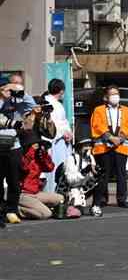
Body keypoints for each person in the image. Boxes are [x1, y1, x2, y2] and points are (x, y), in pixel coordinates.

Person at [91, 85, 128, 210]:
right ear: (106, 97)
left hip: (121, 146)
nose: (115, 96)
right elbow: (97, 125)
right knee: (104, 173)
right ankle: (102, 199)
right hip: (104, 147)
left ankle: (122, 199)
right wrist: (110, 137)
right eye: (112, 94)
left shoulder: (126, 110)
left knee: (121, 173)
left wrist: (120, 138)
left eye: (117, 93)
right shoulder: (98, 110)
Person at [0, 72, 36, 224]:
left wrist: (22, 93)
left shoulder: (20, 101)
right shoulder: (2, 99)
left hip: (14, 146)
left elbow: (33, 107)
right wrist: (3, 96)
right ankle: (1, 211)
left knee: (14, 181)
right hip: (1, 145)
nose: (16, 88)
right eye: (13, 84)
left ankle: (12, 210)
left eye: (20, 84)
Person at [18, 130, 64, 220]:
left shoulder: (38, 158)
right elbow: (23, 168)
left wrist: (44, 154)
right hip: (23, 194)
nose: (37, 147)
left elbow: (50, 168)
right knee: (46, 214)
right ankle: (17, 209)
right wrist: (31, 151)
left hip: (35, 193)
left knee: (60, 199)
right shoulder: (22, 156)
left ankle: (38, 207)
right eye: (35, 144)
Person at [42, 78, 73, 193]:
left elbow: (63, 122)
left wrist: (68, 132)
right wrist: (64, 133)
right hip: (54, 143)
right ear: (61, 91)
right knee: (54, 170)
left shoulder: (56, 104)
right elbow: (51, 125)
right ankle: (53, 195)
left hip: (59, 141)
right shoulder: (48, 104)